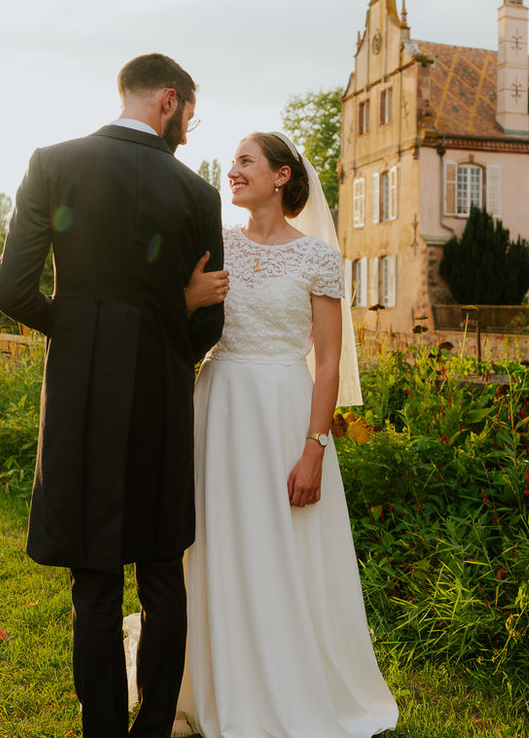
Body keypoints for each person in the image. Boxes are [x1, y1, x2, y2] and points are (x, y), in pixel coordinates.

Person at [0, 53, 228, 738]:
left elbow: (10, 289)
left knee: (93, 579)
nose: (189, 126)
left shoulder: (53, 163)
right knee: (161, 573)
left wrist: (78, 332)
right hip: (160, 398)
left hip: (80, 398)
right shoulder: (197, 194)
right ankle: (152, 727)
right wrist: (161, 348)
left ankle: (102, 730)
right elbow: (209, 313)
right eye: (188, 112)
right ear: (169, 100)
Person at [161, 131, 398, 737]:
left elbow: (326, 363)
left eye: (246, 161)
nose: (232, 170)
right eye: (232, 162)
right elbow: (175, 324)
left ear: (282, 176)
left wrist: (315, 448)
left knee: (284, 549)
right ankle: (218, 680)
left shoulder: (317, 256)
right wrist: (187, 301)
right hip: (217, 406)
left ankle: (291, 681)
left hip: (286, 413)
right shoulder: (214, 248)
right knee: (215, 541)